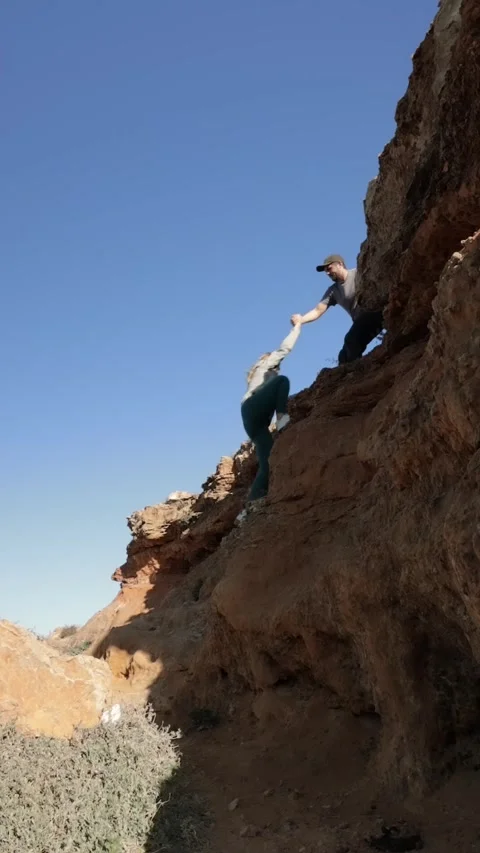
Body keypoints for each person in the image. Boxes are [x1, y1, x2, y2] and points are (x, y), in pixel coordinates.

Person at [237, 320, 301, 522]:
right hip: (252, 409)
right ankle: (282, 417)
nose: (277, 366)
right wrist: (297, 326)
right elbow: (285, 348)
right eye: (276, 364)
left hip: (255, 424)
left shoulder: (262, 379)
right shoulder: (266, 366)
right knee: (283, 381)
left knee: (267, 464)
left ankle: (247, 510)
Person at [291, 254, 383, 364]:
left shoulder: (358, 272)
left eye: (329, 269)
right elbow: (318, 310)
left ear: (340, 264)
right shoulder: (333, 291)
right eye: (325, 271)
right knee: (343, 356)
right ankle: (351, 373)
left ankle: (356, 370)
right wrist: (301, 320)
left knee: (351, 340)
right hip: (362, 322)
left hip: (375, 311)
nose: (327, 273)